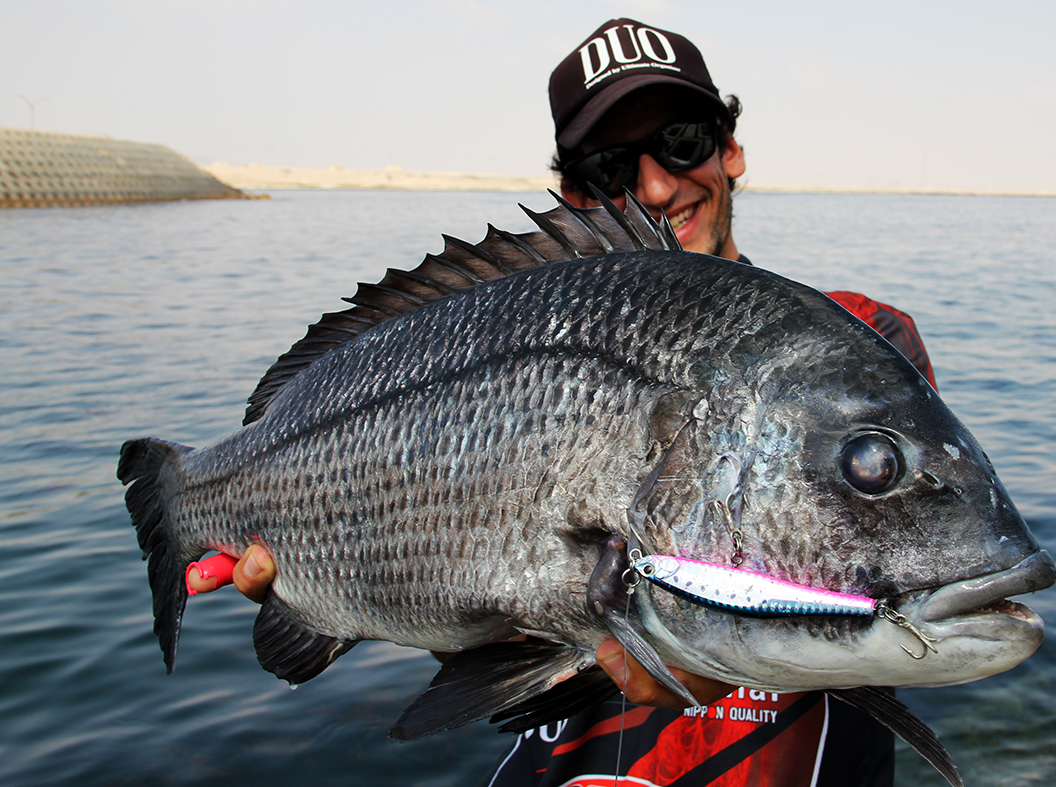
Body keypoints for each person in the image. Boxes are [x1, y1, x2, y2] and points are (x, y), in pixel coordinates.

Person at [190, 18, 936, 786]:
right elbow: (486, 632)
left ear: (730, 148)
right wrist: (346, 572)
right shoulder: (506, 331)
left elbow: (918, 564)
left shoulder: (862, 336)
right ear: (576, 197)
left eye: (682, 142)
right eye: (610, 168)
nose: (656, 187)